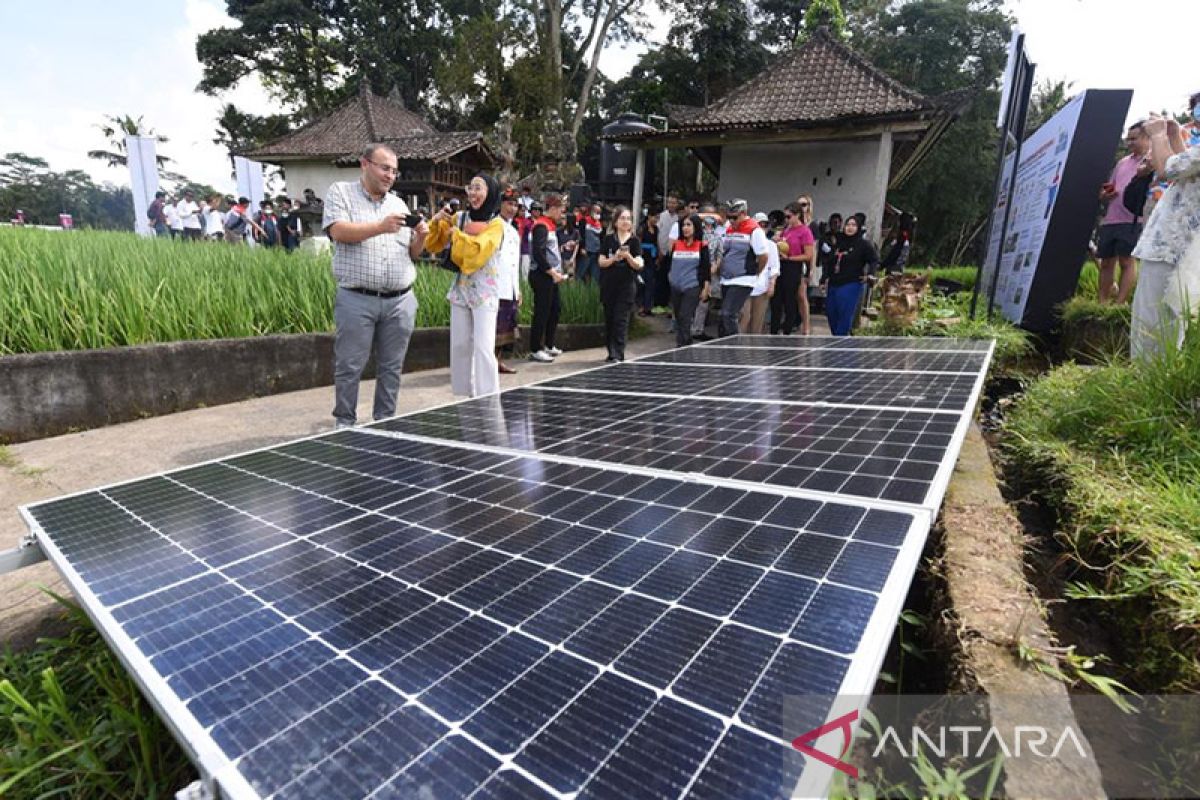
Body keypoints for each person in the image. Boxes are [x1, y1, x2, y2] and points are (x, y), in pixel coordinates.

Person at [323, 143, 428, 427]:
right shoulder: (341, 192)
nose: (390, 175)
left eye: (394, 170)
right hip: (357, 298)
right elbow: (338, 231)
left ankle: (385, 421)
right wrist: (380, 227)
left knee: (392, 368)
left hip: (400, 300)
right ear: (365, 164)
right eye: (384, 168)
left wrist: (420, 237)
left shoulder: (399, 204)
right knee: (349, 365)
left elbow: (413, 254)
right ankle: (344, 422)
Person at [427, 173, 509, 397]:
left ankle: (488, 396)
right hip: (461, 289)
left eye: (478, 188)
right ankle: (463, 395)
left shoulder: (496, 224)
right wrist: (439, 222)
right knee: (460, 346)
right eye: (470, 188)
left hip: (485, 291)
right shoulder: (460, 218)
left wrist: (458, 237)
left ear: (490, 192)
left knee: (483, 347)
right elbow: (435, 244)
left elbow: (478, 252)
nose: (473, 193)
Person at [1130, 115, 1200, 359]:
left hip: (1172, 246)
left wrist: (1158, 135)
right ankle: (1159, 382)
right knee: (1169, 319)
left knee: (1151, 319)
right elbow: (1186, 171)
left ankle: (1146, 384)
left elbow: (1167, 169)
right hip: (1180, 248)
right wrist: (1173, 135)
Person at [1097, 123, 1150, 303]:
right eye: (1128, 139)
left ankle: (1120, 304)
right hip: (1111, 219)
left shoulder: (1151, 161)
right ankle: (1102, 304)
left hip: (1133, 220)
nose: (1129, 143)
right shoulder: (1122, 162)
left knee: (1126, 261)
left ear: (1146, 138)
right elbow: (1105, 191)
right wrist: (1105, 194)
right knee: (1106, 262)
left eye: (1134, 138)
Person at [598, 205, 643, 361]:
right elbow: (601, 261)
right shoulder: (609, 239)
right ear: (615, 221)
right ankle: (610, 351)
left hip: (627, 286)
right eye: (622, 218)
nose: (625, 222)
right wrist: (614, 258)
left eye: (628, 219)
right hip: (609, 285)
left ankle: (618, 353)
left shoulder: (635, 241)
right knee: (609, 319)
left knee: (621, 319)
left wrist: (627, 256)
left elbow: (639, 263)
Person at [717, 198, 768, 337]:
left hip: (743, 278)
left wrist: (757, 273)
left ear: (744, 213)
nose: (731, 220)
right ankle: (723, 348)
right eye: (729, 217)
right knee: (722, 316)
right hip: (726, 278)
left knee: (729, 314)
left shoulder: (754, 230)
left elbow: (763, 256)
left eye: (734, 217)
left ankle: (736, 346)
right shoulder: (729, 228)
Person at [528, 194, 568, 362]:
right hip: (542, 274)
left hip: (552, 276)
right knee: (542, 311)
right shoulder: (541, 226)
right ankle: (535, 348)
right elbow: (538, 252)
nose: (562, 214)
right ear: (552, 209)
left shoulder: (550, 226)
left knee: (555, 309)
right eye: (560, 210)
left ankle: (549, 344)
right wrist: (551, 271)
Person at [822, 215, 876, 335]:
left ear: (858, 227)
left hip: (851, 283)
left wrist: (870, 274)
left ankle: (839, 342)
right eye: (848, 225)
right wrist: (824, 277)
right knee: (831, 313)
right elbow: (828, 261)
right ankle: (836, 337)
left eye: (853, 225)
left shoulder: (863, 245)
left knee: (845, 314)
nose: (850, 228)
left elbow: (873, 260)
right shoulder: (839, 242)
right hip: (833, 282)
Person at [665, 213, 711, 347]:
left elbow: (705, 269)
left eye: (688, 225)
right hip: (675, 287)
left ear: (695, 227)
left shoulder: (702, 245)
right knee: (679, 318)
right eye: (683, 225)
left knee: (685, 316)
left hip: (692, 286)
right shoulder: (676, 244)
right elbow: (670, 264)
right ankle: (685, 343)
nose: (685, 228)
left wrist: (705, 289)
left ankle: (682, 346)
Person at [773, 201, 815, 335]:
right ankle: (774, 329)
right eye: (785, 217)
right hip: (782, 265)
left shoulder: (805, 231)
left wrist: (790, 258)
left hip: (793, 266)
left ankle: (787, 331)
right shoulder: (787, 230)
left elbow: (808, 255)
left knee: (790, 300)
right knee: (776, 300)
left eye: (789, 216)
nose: (787, 219)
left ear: (797, 215)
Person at [496, 187, 522, 374]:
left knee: (505, 326)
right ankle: (488, 362)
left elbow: (515, 262)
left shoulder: (513, 230)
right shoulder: (493, 225)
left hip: (509, 285)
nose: (512, 208)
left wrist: (517, 288)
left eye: (515, 205)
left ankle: (498, 360)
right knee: (493, 327)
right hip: (495, 284)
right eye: (509, 204)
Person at [741, 213, 779, 335]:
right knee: (743, 319)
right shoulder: (744, 243)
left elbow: (774, 267)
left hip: (762, 288)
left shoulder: (771, 245)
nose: (762, 227)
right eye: (759, 224)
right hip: (745, 287)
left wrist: (772, 284)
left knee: (757, 323)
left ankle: (754, 351)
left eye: (765, 225)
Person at [637, 212, 659, 315]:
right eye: (655, 217)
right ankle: (640, 306)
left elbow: (656, 242)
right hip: (643, 256)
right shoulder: (642, 228)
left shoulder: (656, 229)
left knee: (650, 283)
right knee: (641, 282)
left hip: (652, 257)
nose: (656, 219)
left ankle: (648, 306)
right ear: (650, 216)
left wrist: (658, 257)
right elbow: (638, 242)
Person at [578, 202, 603, 284]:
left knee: (595, 276)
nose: (598, 214)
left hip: (596, 252)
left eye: (599, 212)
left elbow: (600, 237)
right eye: (596, 212)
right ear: (591, 211)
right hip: (586, 251)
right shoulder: (584, 221)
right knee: (581, 273)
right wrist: (582, 247)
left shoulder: (599, 224)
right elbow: (580, 235)